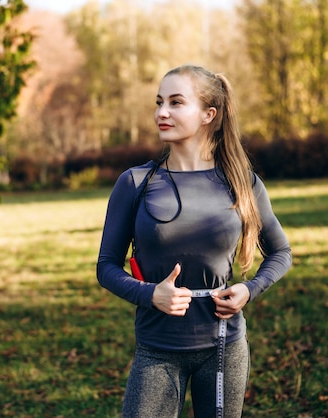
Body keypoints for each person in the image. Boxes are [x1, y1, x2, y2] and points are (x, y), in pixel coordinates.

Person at [96, 64, 292, 418]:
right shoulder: (134, 182)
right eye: (159, 102)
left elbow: (281, 252)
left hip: (224, 348)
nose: (162, 112)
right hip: (157, 349)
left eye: (175, 102)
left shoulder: (240, 181)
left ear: (208, 114)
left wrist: (250, 289)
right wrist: (149, 294)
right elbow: (106, 266)